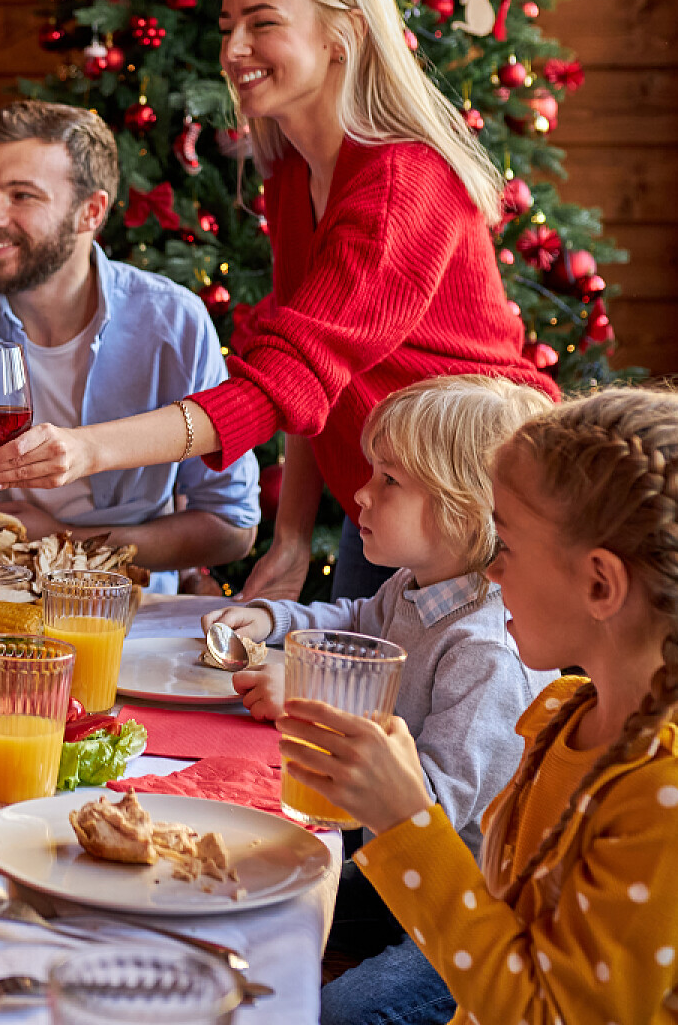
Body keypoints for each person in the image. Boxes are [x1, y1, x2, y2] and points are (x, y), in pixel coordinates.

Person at [0, 0, 558, 603]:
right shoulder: (291, 178)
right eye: (227, 25)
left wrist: (90, 448)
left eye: (262, 23)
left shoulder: (402, 183)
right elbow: (316, 382)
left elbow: (284, 380)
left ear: (343, 35)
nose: (234, 49)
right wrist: (290, 537)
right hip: (391, 501)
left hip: (480, 503)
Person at [281, 385, 678, 1024]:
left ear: (600, 584)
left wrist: (407, 820)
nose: (491, 574)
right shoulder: (566, 713)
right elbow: (508, 923)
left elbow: (542, 1014)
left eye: (509, 546)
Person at [204, 375, 557, 1025]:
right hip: (388, 873)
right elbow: (357, 620)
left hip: (464, 904)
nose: (361, 493)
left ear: (463, 503)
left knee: (340, 1014)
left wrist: (311, 699)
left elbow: (431, 811)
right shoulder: (413, 588)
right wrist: (274, 622)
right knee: (234, 890)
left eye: (390, 480)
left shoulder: (488, 652)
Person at [0, 100, 259, 594]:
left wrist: (65, 541)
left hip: (118, 621)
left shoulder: (174, 324)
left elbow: (231, 529)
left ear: (90, 212)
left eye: (22, 196)